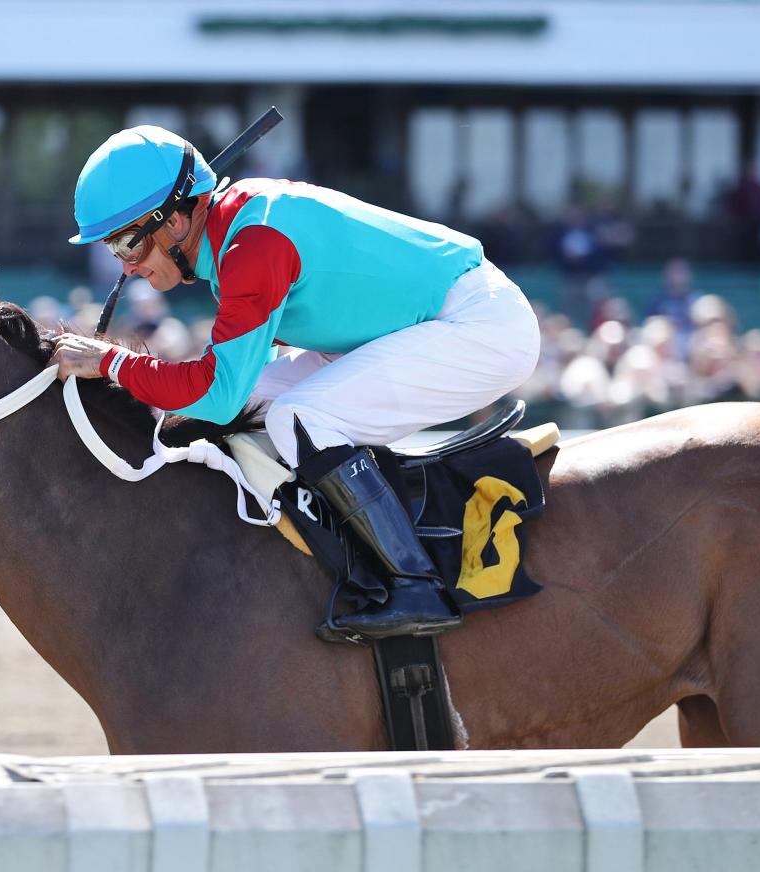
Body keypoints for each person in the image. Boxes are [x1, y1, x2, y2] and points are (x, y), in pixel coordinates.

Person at [49, 126, 541, 639]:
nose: (127, 266)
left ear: (174, 220)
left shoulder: (251, 242)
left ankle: (415, 585)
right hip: (417, 323)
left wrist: (111, 363)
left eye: (128, 242)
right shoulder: (229, 234)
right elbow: (229, 396)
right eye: (112, 248)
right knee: (255, 405)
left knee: (298, 418)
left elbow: (215, 395)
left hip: (478, 325)